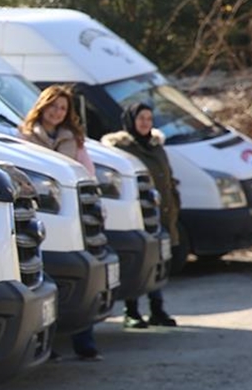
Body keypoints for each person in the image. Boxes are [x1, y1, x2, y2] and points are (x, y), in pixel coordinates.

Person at [18, 84, 102, 361]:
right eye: (53, 106)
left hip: (70, 220)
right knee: (46, 281)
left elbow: (88, 177)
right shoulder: (25, 136)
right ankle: (48, 343)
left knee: (78, 278)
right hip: (38, 218)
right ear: (43, 106)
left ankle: (84, 341)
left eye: (63, 108)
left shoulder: (73, 140)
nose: (57, 112)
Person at [101, 102, 180, 327]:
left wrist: (174, 203)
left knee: (159, 262)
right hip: (136, 216)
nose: (145, 123)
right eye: (141, 118)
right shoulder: (122, 150)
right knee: (138, 263)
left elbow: (168, 178)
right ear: (130, 121)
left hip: (162, 214)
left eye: (149, 118)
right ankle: (131, 311)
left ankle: (157, 309)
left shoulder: (157, 146)